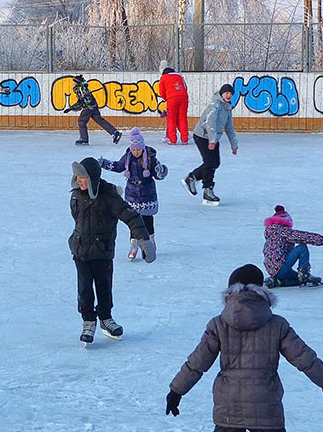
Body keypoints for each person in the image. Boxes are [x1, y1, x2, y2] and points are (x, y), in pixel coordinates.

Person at [165, 264, 323, 431]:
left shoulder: (219, 325)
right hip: (266, 405)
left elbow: (197, 362)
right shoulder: (277, 324)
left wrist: (177, 390)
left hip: (229, 406)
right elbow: (304, 357)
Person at [70, 157, 155, 344]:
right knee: (84, 288)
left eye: (82, 177)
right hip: (81, 251)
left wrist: (143, 239)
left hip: (102, 251)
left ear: (92, 178)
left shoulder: (109, 197)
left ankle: (106, 318)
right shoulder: (76, 194)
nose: (78, 181)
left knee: (104, 287)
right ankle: (88, 321)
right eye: (77, 177)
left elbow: (131, 216)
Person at [99, 127, 168, 260]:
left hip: (147, 192)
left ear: (143, 148)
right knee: (133, 220)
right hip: (132, 193)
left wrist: (161, 171)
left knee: (147, 220)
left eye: (138, 149)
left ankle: (150, 241)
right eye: (134, 149)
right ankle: (133, 244)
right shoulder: (127, 157)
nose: (136, 152)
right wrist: (104, 163)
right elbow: (118, 166)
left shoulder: (150, 158)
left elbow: (158, 175)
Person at [181, 84, 238, 206]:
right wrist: (212, 141)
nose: (228, 95)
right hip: (202, 136)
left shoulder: (227, 108)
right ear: (221, 94)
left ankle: (193, 177)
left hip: (213, 137)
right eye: (226, 93)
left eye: (230, 93)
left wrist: (234, 145)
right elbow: (210, 123)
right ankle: (207, 190)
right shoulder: (215, 106)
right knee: (210, 163)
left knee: (215, 163)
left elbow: (229, 127)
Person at [263, 205, 323, 288]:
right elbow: (301, 236)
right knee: (302, 247)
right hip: (280, 266)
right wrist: (321, 241)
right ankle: (304, 275)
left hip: (272, 270)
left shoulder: (270, 234)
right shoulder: (283, 231)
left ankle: (277, 282)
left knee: (297, 279)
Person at [63, 75, 122, 146]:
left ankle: (84, 139)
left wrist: (73, 107)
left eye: (74, 82)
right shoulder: (82, 88)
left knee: (81, 121)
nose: (73, 83)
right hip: (93, 106)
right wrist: (72, 108)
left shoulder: (80, 89)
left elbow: (84, 100)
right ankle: (115, 132)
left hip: (89, 107)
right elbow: (82, 100)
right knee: (99, 120)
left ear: (77, 82)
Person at [157, 62, 190, 145]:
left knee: (171, 119)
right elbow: (186, 87)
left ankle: (173, 140)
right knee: (183, 118)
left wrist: (167, 99)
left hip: (172, 99)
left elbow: (161, 92)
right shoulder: (179, 76)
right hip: (183, 97)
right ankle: (184, 139)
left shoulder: (163, 78)